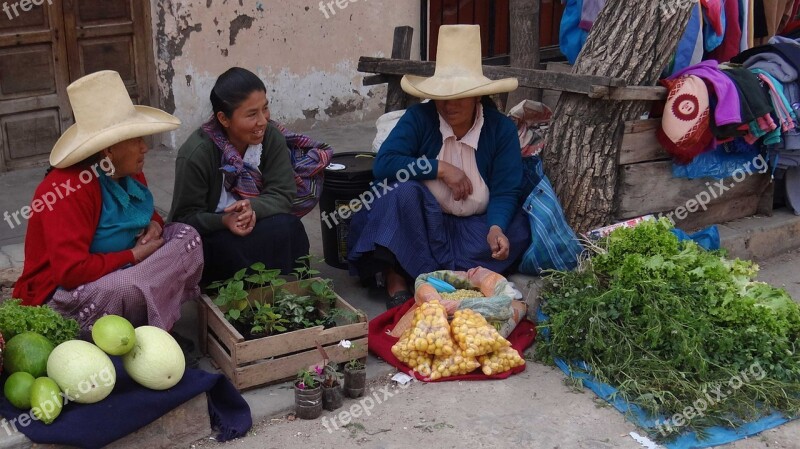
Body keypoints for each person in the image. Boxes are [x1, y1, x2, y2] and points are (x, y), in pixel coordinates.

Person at [347, 25, 532, 309]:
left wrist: (496, 228)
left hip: (474, 227)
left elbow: (506, 189)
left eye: (459, 95)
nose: (449, 105)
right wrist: (439, 168)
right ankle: (396, 276)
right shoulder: (419, 118)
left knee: (518, 227)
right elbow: (384, 164)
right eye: (443, 96)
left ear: (477, 96)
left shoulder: (500, 130)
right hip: (423, 221)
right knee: (398, 195)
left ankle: (434, 274)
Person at [13, 70, 204, 338]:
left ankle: (145, 314)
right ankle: (133, 326)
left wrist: (153, 227)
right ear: (108, 149)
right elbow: (70, 272)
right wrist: (133, 256)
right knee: (127, 285)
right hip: (66, 292)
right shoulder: (67, 189)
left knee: (188, 237)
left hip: (124, 264)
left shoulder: (127, 170)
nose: (144, 148)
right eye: (136, 140)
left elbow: (143, 213)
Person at [169, 67, 310, 283]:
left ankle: (298, 291)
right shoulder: (197, 154)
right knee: (227, 248)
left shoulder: (270, 137)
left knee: (289, 228)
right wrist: (224, 221)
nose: (262, 121)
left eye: (265, 109)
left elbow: (282, 194)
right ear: (224, 119)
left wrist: (251, 208)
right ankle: (231, 302)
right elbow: (184, 218)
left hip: (254, 221)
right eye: (252, 114)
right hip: (215, 234)